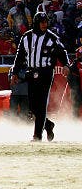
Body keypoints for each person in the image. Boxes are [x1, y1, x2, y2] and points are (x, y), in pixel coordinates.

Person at [11, 12, 68, 141]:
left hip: (46, 73)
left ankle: (37, 136)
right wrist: (15, 72)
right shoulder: (26, 37)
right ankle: (48, 125)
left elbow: (62, 51)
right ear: (36, 23)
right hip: (31, 72)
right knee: (32, 105)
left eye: (46, 22)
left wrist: (66, 65)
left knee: (41, 104)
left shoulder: (51, 38)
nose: (44, 24)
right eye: (42, 22)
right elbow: (19, 57)